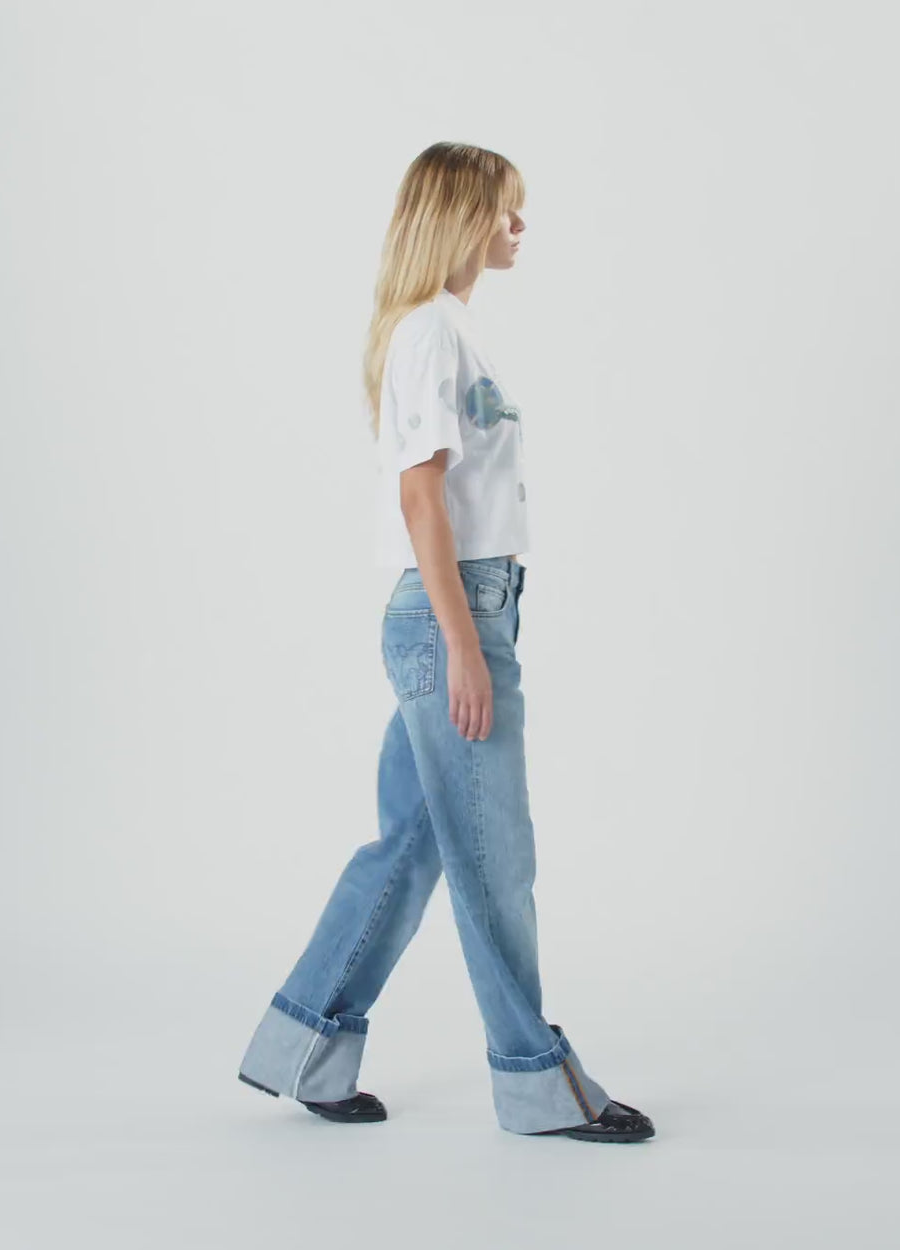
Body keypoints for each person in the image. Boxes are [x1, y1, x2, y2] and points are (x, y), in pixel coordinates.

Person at [237, 141, 655, 1144]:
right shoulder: (429, 331)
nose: (519, 227)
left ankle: (305, 1045)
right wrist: (466, 646)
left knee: (412, 847)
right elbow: (421, 497)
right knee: (493, 858)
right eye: (507, 210)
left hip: (462, 608)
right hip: (449, 614)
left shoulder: (449, 328)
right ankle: (533, 1080)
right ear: (464, 216)